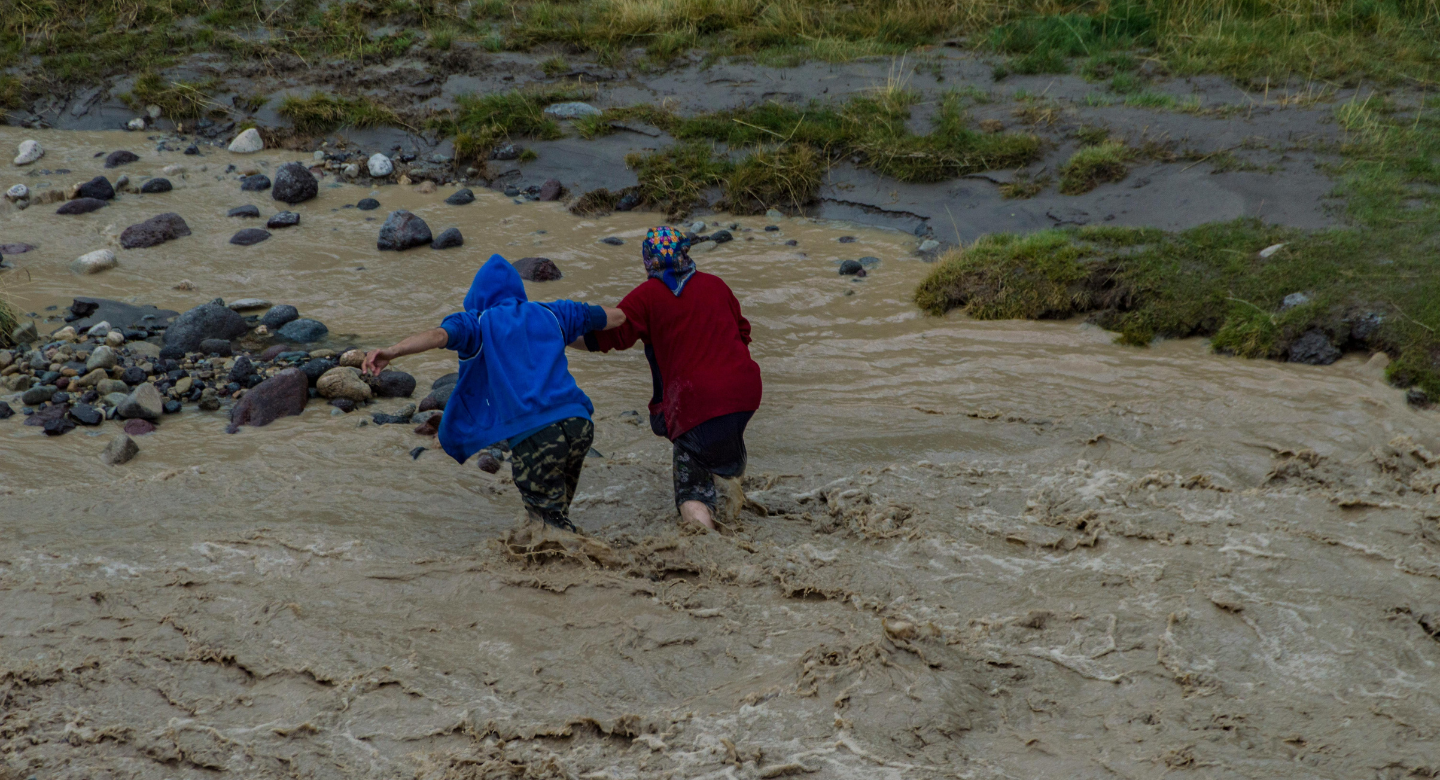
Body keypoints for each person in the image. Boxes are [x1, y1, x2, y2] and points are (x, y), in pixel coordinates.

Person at [364, 253, 625, 532]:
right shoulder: (552, 313)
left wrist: (392, 351)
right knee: (555, 512)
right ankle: (572, 560)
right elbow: (617, 316)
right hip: (579, 424)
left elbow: (438, 336)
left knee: (547, 523)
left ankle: (587, 563)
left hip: (536, 434)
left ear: (478, 295)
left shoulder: (477, 322)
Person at [585, 226, 763, 531]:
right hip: (744, 392)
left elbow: (608, 337)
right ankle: (727, 505)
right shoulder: (717, 285)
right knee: (717, 451)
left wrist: (557, 333)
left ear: (648, 259)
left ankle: (708, 548)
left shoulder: (648, 296)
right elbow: (742, 332)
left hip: (697, 403)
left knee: (690, 489)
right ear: (685, 252)